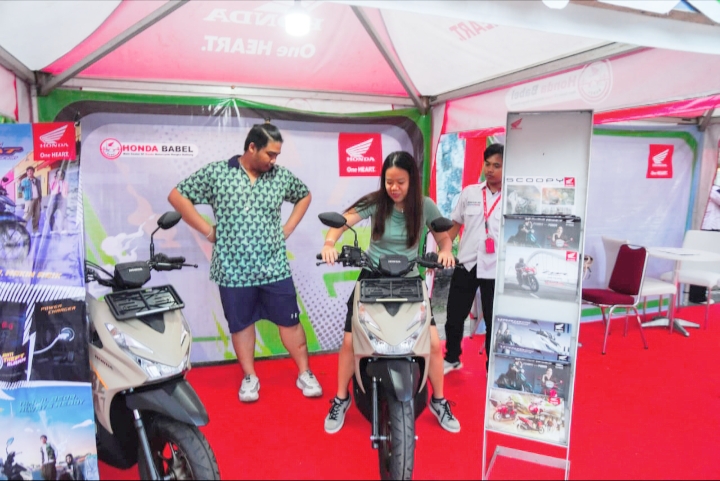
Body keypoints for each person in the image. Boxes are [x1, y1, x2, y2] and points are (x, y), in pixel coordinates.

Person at [168, 122, 322, 403]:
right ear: (252, 147)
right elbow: (177, 196)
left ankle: (305, 372)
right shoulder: (218, 173)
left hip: (274, 267)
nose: (274, 160)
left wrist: (287, 228)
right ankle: (250, 377)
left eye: (277, 155)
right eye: (270, 154)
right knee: (240, 325)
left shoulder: (280, 177)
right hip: (232, 271)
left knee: (290, 322)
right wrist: (208, 231)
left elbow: (304, 195)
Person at [320, 151, 461, 434]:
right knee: (349, 342)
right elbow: (343, 221)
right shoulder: (376, 201)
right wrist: (329, 243)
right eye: (389, 182)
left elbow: (444, 237)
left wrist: (446, 251)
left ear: (412, 181)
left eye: (400, 182)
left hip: (410, 279)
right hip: (372, 277)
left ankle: (439, 400)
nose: (394, 188)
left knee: (434, 344)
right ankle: (341, 398)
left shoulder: (425, 205)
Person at [443, 143, 503, 373]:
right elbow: (455, 224)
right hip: (466, 263)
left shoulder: (513, 197)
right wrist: (443, 250)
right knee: (454, 315)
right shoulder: (470, 192)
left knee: (493, 320)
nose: (490, 170)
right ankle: (452, 358)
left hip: (495, 268)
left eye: (496, 165)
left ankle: (492, 367)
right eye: (487, 164)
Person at [20, 166, 42, 234]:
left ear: (33, 172)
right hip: (29, 199)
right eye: (28, 171)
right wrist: (20, 185)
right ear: (27, 172)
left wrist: (40, 198)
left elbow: (39, 189)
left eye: (31, 171)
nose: (30, 172)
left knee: (37, 215)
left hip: (37, 199)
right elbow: (20, 190)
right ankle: (20, 229)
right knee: (27, 214)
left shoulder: (37, 180)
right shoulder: (24, 181)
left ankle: (35, 231)